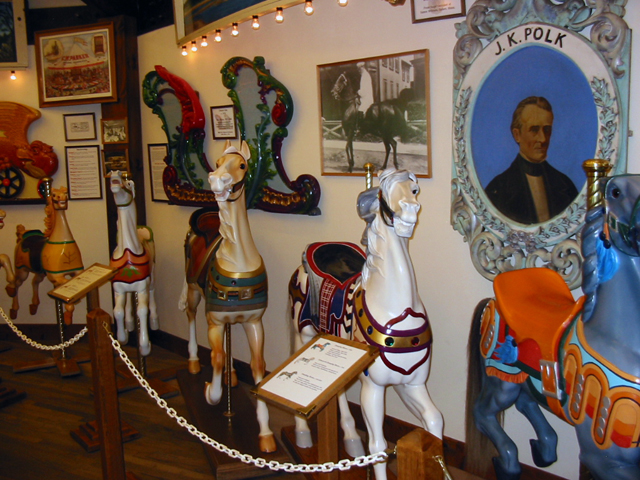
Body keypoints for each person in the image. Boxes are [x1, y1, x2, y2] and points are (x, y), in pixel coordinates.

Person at [485, 96, 578, 224]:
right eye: (534, 130)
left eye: (547, 130)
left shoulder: (566, 186)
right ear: (517, 134)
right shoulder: (498, 190)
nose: (543, 139)